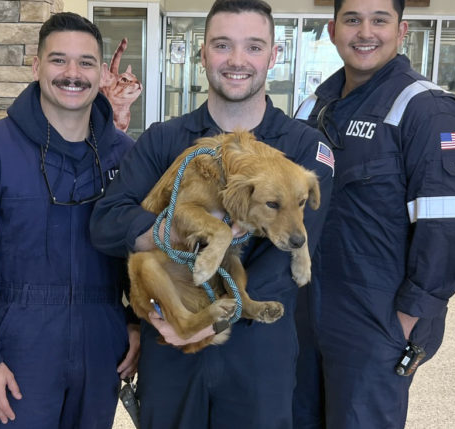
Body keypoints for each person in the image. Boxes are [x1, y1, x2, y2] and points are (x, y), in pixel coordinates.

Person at [89, 1, 333, 427]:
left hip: (259, 353)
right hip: (171, 343)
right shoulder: (163, 141)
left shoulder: (304, 149)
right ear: (203, 54)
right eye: (223, 45)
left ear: (274, 56)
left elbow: (292, 251)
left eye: (253, 47)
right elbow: (107, 223)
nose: (237, 61)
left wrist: (230, 305)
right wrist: (170, 232)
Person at [292, 0, 455, 427]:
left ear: (402, 30)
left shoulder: (428, 110)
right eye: (352, 19)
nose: (365, 32)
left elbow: (451, 228)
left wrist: (412, 315)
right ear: (332, 29)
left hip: (377, 315)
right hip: (305, 310)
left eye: (380, 20)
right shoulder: (312, 108)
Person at [0, 12, 139, 428]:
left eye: (86, 62)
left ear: (102, 72)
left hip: (100, 339)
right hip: (20, 344)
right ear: (36, 66)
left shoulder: (125, 156)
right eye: (58, 60)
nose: (73, 74)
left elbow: (142, 253)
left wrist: (136, 323)